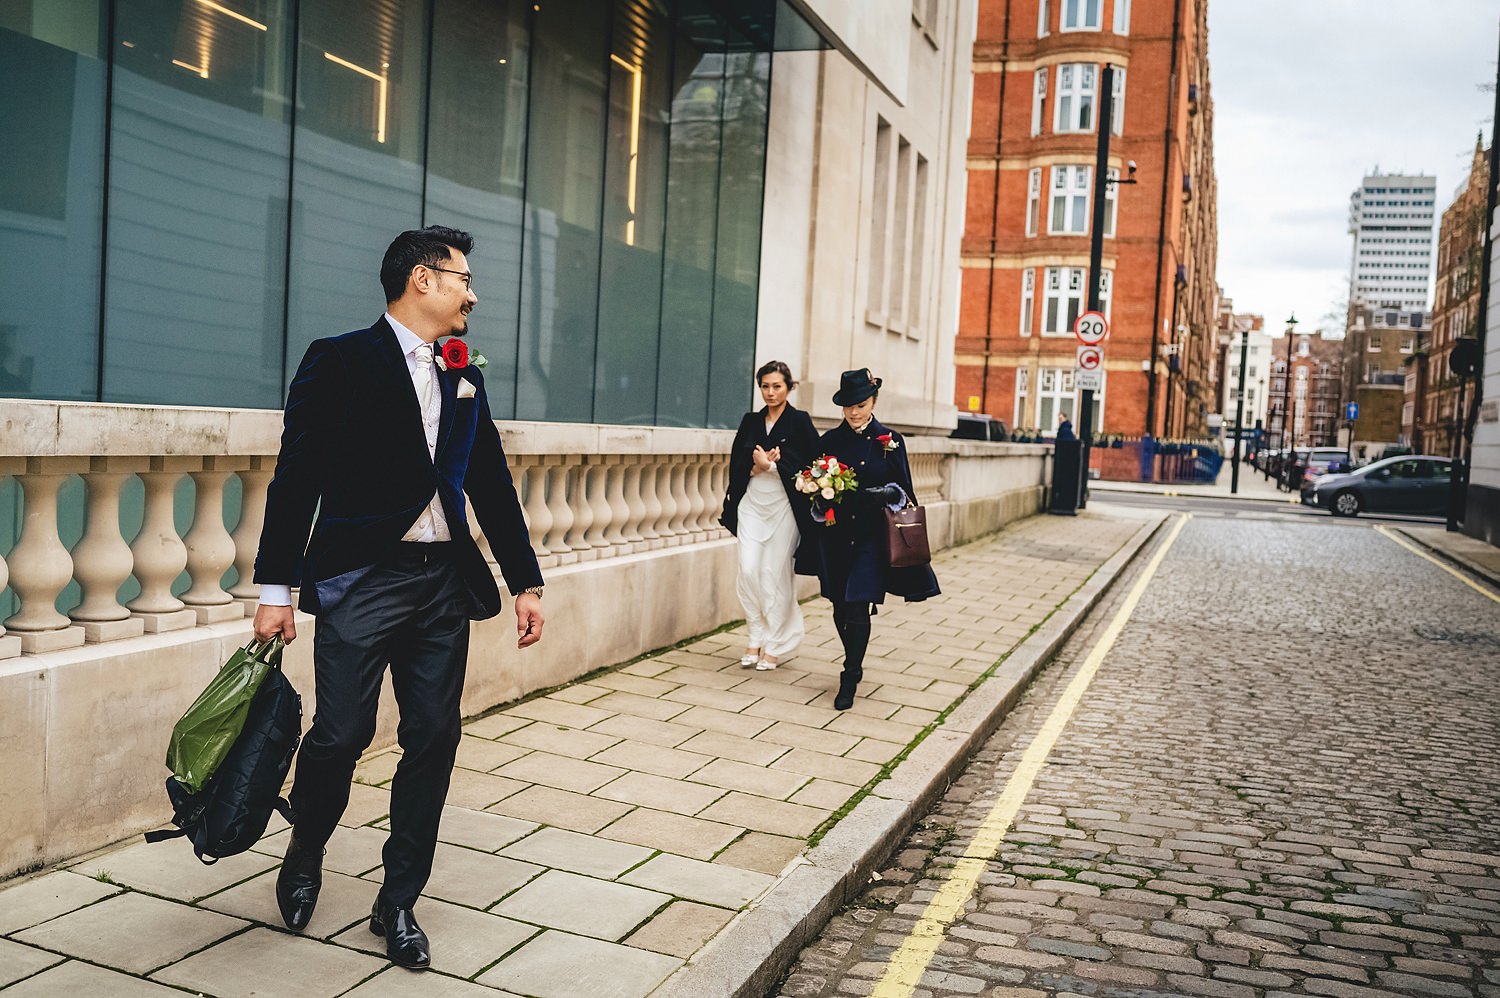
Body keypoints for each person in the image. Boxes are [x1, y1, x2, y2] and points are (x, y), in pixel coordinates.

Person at [251, 226, 545, 970]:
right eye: (463, 279)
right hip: (362, 579)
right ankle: (306, 850)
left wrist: (525, 580)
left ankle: (399, 900)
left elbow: (490, 483)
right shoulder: (340, 360)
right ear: (422, 279)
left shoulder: (464, 372)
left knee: (435, 737)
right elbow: (296, 480)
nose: (473, 294)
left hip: (443, 582)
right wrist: (276, 589)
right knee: (341, 735)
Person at [811, 369, 940, 710]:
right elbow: (812, 489)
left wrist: (885, 493)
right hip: (837, 536)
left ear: (874, 402)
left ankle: (849, 674)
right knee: (840, 604)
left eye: (861, 404)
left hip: (872, 538)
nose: (854, 412)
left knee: (857, 602)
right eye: (848, 406)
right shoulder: (829, 441)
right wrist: (821, 498)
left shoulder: (891, 441)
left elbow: (905, 493)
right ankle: (854, 656)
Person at [721, 361, 819, 670]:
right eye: (765, 386)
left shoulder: (800, 421)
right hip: (752, 505)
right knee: (749, 570)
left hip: (784, 508)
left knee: (772, 574)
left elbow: (813, 465)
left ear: (789, 387)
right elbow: (736, 463)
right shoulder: (751, 421)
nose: (770, 392)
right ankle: (755, 633)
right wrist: (755, 466)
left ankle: (776, 642)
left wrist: (775, 466)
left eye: (777, 386)